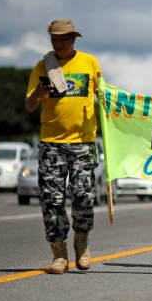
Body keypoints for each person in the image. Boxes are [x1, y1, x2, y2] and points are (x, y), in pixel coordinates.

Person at [25, 19, 101, 274]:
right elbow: (30, 106)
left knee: (84, 196)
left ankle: (81, 240)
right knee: (52, 199)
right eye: (54, 40)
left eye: (63, 40)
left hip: (83, 142)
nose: (58, 44)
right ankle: (59, 252)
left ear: (73, 39)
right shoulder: (42, 66)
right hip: (52, 144)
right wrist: (36, 93)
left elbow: (103, 95)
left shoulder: (90, 62)